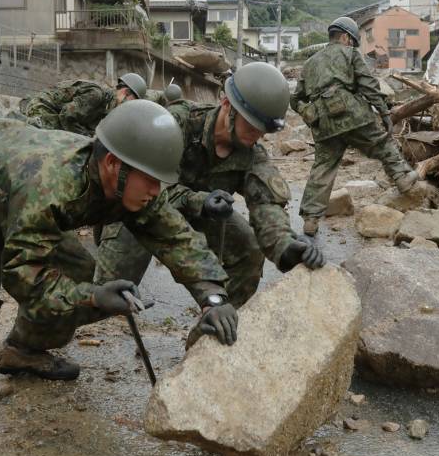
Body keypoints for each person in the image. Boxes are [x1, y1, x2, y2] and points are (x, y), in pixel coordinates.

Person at [0, 100, 232, 456]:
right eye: (151, 180)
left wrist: (212, 297)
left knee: (77, 271)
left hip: (9, 190)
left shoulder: (130, 179)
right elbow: (24, 276)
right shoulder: (54, 183)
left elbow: (175, 237)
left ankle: (21, 350)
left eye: (160, 181)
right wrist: (92, 296)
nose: (156, 191)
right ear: (112, 166)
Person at [97, 62, 325, 336]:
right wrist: (199, 201)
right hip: (143, 207)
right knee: (106, 297)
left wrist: (287, 245)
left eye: (263, 131)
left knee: (248, 250)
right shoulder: (178, 123)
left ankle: (217, 329)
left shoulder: (250, 152)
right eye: (252, 127)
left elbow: (266, 204)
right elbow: (143, 186)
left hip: (202, 214)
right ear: (227, 105)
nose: (257, 137)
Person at [291, 16, 421, 236]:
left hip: (323, 123)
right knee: (380, 142)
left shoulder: (309, 63)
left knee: (323, 167)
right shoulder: (350, 53)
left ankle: (311, 220)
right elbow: (368, 85)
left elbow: (295, 100)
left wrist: (308, 111)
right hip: (351, 113)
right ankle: (402, 178)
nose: (352, 44)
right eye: (352, 40)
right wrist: (384, 112)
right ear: (344, 37)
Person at [19, 72, 147, 135]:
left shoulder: (108, 107)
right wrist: (85, 136)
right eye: (132, 102)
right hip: (44, 107)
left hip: (57, 114)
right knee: (53, 142)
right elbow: (66, 115)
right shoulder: (96, 95)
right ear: (125, 92)